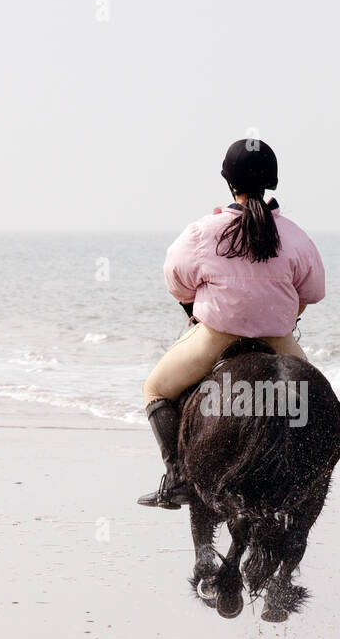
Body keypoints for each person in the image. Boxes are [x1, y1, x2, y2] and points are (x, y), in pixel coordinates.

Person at [137, 138, 326, 509]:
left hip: (216, 338)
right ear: (271, 182)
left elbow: (177, 283)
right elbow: (313, 291)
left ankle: (177, 478)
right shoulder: (296, 236)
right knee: (317, 403)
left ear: (228, 182)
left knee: (155, 388)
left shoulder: (201, 232)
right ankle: (313, 479)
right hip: (278, 340)